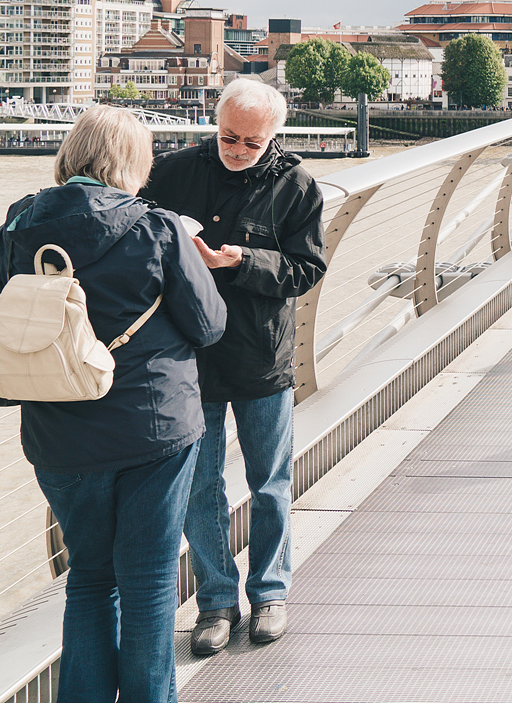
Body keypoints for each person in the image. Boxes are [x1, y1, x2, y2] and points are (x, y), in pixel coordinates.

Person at [0, 106, 226, 703]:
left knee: (90, 579)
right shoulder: (158, 227)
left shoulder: (20, 222)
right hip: (154, 429)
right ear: (134, 162)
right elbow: (208, 324)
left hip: (59, 428)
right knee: (149, 582)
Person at [141, 78, 327, 657]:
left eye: (252, 142)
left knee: (269, 482)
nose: (239, 150)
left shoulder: (298, 185)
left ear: (274, 136)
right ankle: (216, 601)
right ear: (213, 124)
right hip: (187, 356)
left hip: (260, 355)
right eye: (228, 138)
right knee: (200, 486)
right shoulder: (170, 172)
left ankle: (270, 593)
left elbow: (306, 270)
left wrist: (241, 260)